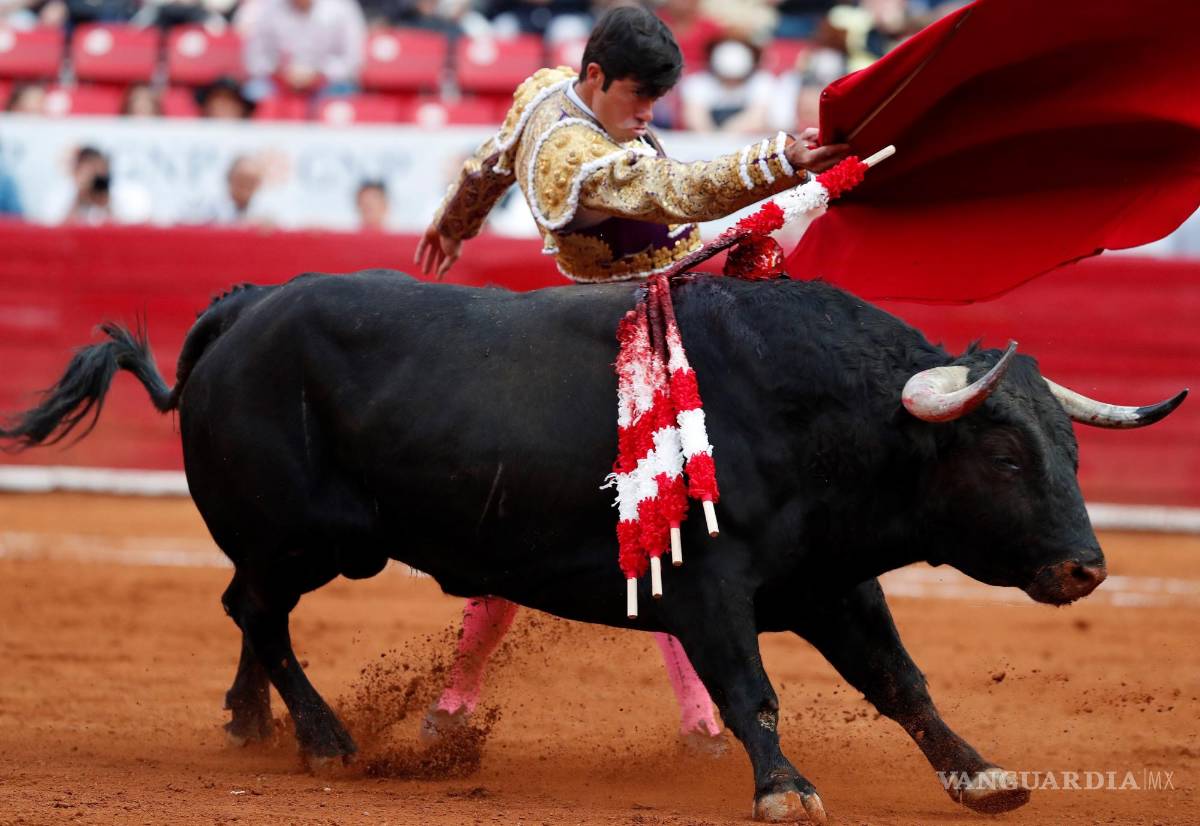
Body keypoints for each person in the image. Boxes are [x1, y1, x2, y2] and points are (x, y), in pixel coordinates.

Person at [414, 5, 847, 749]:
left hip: (654, 306)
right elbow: (671, 194)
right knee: (658, 509)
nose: (646, 113)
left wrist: (455, 220)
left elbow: (489, 161)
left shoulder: (548, 89)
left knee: (643, 515)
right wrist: (779, 161)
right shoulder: (574, 161)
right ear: (595, 75)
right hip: (622, 334)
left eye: (655, 98)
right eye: (635, 96)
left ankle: (469, 696)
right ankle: (466, 693)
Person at [241, 0, 366, 102]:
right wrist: (280, 72)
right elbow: (255, 59)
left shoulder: (343, 7)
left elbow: (353, 61)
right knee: (254, 92)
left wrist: (318, 73)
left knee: (343, 95)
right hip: (279, 82)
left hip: (328, 83)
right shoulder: (267, 7)